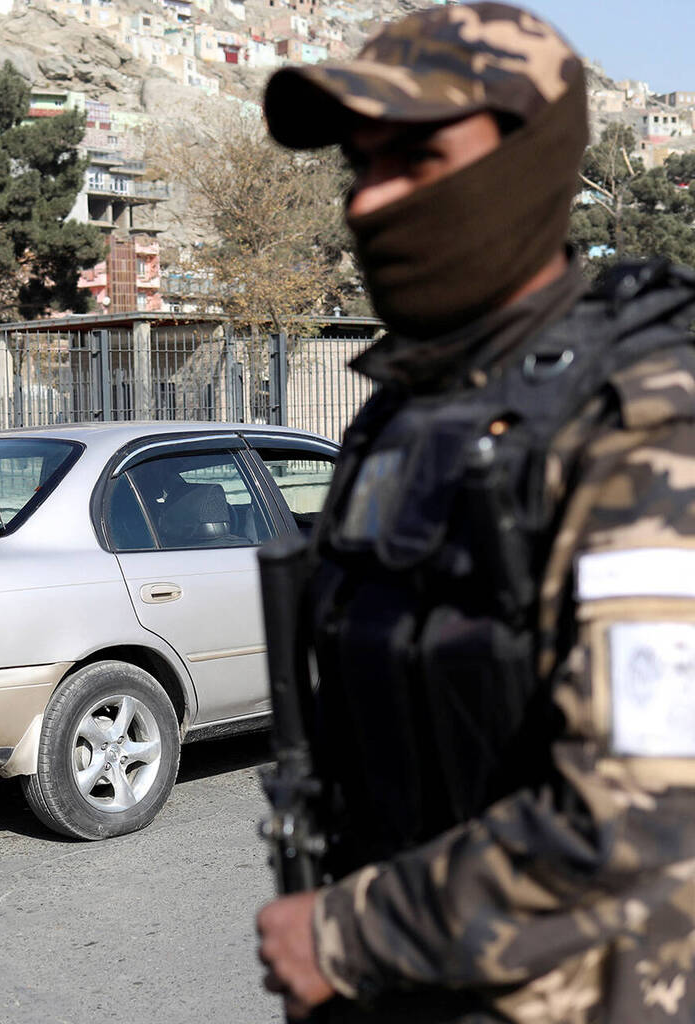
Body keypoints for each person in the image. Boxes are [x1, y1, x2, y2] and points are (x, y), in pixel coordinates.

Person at [255, 3, 695, 1021]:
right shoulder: (402, 413)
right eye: (358, 166)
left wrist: (346, 932)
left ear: (525, 160)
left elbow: (643, 817)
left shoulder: (646, 418)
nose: (371, 203)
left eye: (415, 156)